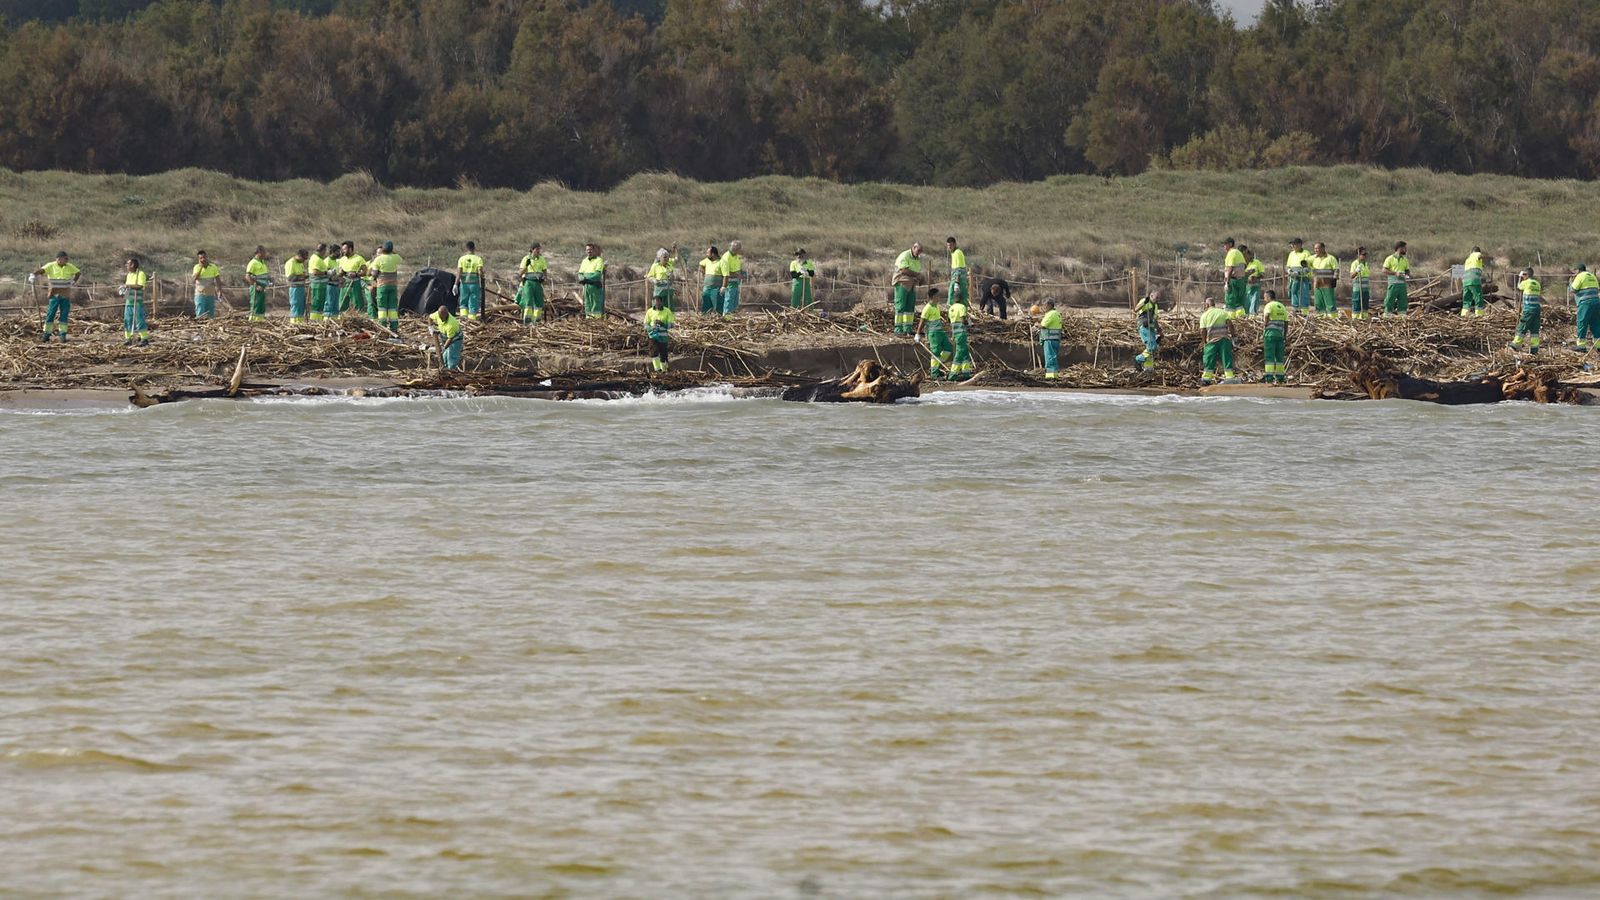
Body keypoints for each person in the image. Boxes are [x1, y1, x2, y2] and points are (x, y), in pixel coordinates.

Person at [33, 250, 80, 342]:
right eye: (65, 259)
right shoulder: (51, 265)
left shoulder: (69, 266)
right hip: (54, 293)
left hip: (65, 293)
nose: (66, 260)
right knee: (51, 313)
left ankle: (62, 335)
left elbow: (78, 273)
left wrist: (73, 281)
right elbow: (41, 270)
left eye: (67, 259)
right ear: (58, 259)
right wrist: (33, 275)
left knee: (64, 314)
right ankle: (46, 334)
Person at [914, 287, 952, 378]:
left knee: (948, 348)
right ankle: (934, 373)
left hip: (940, 332)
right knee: (935, 352)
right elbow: (922, 321)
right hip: (933, 333)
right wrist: (918, 334)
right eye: (938, 296)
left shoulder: (936, 306)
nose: (940, 298)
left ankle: (938, 365)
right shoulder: (927, 308)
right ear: (933, 296)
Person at [1198, 296, 1237, 384]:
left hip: (1211, 341)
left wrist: (1204, 342)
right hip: (1224, 339)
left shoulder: (1205, 315)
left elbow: (1202, 330)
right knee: (1227, 358)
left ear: (1207, 305)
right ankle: (1230, 378)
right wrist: (1234, 336)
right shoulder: (1222, 312)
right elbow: (1230, 325)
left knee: (1209, 360)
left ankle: (1206, 379)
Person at [370, 240, 403, 333]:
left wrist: (373, 274)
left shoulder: (378, 259)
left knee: (382, 307)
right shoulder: (395, 257)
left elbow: (374, 274)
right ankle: (394, 327)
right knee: (392, 307)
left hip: (382, 286)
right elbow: (400, 258)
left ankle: (383, 326)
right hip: (393, 286)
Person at [893, 242, 923, 334]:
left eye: (920, 251)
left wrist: (919, 278)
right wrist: (917, 275)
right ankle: (898, 329)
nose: (919, 253)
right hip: (902, 282)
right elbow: (903, 269)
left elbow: (917, 270)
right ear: (913, 248)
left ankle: (908, 328)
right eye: (918, 251)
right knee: (901, 305)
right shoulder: (904, 255)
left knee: (910, 306)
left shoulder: (917, 259)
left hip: (912, 284)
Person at [1511, 267, 1542, 354]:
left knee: (1522, 326)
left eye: (1524, 275)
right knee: (1534, 330)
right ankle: (1534, 349)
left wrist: (1520, 278)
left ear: (1527, 275)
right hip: (1537, 309)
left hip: (1528, 309)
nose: (1523, 276)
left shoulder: (1526, 282)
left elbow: (1519, 287)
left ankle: (1515, 344)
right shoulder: (1537, 283)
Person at [1260, 289, 1289, 383]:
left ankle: (1269, 379)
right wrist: (1284, 335)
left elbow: (1267, 315)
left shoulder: (1269, 305)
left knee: (1269, 357)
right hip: (1280, 335)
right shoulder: (1282, 306)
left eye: (1264, 297)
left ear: (1268, 297)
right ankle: (1280, 379)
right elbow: (1286, 323)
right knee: (1279, 357)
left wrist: (1265, 326)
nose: (1264, 299)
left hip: (1270, 334)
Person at [516, 243, 548, 324]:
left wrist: (545, 278)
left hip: (538, 283)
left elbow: (544, 270)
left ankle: (536, 321)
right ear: (532, 250)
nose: (538, 251)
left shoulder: (542, 259)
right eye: (537, 249)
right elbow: (520, 273)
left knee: (539, 301)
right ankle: (527, 320)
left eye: (539, 249)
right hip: (528, 283)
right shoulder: (526, 259)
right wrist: (526, 265)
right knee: (529, 301)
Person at [120, 256, 149, 346]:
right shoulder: (129, 275)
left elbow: (140, 285)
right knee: (127, 320)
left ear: (132, 265)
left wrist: (128, 286)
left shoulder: (140, 274)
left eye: (127, 264)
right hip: (129, 301)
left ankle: (144, 338)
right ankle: (128, 338)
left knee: (139, 320)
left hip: (137, 302)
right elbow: (127, 286)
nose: (126, 266)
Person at [1572, 263, 1600, 352]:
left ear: (1578, 270)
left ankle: (1581, 346)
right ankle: (1598, 346)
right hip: (1596, 302)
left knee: (1582, 322)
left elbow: (1573, 289)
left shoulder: (1580, 276)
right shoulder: (1592, 276)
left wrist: (1571, 282)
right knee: (1596, 323)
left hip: (1585, 303)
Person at [644, 294, 675, 372]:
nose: (656, 304)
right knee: (653, 352)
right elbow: (645, 324)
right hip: (653, 336)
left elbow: (672, 324)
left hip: (663, 337)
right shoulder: (650, 311)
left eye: (658, 302)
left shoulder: (667, 311)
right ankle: (657, 370)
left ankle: (664, 370)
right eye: (655, 302)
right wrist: (651, 328)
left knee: (663, 355)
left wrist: (662, 324)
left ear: (661, 302)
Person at [336, 242, 368, 316]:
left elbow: (365, 271)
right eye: (342, 249)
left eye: (344, 249)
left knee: (358, 304)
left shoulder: (359, 258)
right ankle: (341, 319)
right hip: (345, 283)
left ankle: (359, 319)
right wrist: (341, 272)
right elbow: (340, 271)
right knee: (342, 303)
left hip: (355, 283)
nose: (342, 251)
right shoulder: (342, 259)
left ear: (350, 249)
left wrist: (356, 274)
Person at [428, 303, 463, 371]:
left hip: (455, 339)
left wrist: (444, 348)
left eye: (442, 317)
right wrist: (430, 327)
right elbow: (430, 317)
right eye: (439, 316)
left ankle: (451, 371)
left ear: (446, 315)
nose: (440, 318)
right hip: (445, 337)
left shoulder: (451, 324)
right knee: (444, 357)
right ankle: (444, 369)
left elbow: (450, 339)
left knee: (451, 356)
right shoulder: (438, 314)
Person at [948, 288, 972, 378]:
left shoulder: (951, 308)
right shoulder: (962, 307)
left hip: (955, 332)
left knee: (965, 353)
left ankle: (966, 373)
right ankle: (953, 374)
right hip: (961, 333)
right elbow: (963, 320)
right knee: (959, 353)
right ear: (962, 298)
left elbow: (950, 321)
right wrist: (968, 323)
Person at [1310, 241, 1339, 318]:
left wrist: (1335, 278)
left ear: (1323, 248)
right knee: (1318, 301)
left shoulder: (1330, 258)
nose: (1316, 250)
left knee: (1329, 301)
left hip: (1328, 283)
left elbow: (1336, 269)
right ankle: (1320, 316)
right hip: (1317, 284)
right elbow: (1306, 263)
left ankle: (1333, 316)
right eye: (1315, 248)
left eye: (1317, 248)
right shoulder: (1313, 258)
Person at [457, 241, 485, 320]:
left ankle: (463, 320)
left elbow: (459, 273)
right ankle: (472, 320)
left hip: (464, 284)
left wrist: (455, 284)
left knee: (463, 302)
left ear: (466, 248)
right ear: (474, 248)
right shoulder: (478, 259)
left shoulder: (461, 259)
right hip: (474, 284)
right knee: (473, 302)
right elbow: (480, 272)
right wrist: (482, 275)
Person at [1382, 241, 1411, 315]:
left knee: (1403, 300)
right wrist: (1395, 273)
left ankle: (1402, 314)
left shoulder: (1405, 260)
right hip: (1393, 284)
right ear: (1399, 248)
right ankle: (1387, 313)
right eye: (1404, 248)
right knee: (1390, 299)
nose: (1406, 250)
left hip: (1402, 285)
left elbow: (1407, 270)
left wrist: (1406, 275)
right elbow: (1384, 270)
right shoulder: (1390, 258)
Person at [578, 243, 606, 319]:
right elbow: (580, 273)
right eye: (587, 250)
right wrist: (581, 278)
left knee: (595, 303)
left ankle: (596, 319)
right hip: (586, 286)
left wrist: (586, 279)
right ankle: (589, 318)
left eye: (590, 249)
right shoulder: (584, 261)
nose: (589, 251)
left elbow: (597, 275)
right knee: (587, 303)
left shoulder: (599, 260)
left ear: (594, 250)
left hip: (595, 286)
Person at [1285, 238, 1313, 315]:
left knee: (1303, 294)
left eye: (1294, 244)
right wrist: (1289, 271)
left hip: (1303, 278)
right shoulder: (1291, 254)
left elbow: (1308, 267)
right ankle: (1296, 310)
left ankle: (1304, 312)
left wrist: (1299, 273)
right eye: (1292, 244)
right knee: (1293, 293)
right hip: (1293, 278)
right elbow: (1288, 266)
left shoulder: (1306, 253)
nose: (1293, 246)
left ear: (1300, 244)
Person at [1134, 292, 1160, 371]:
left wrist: (1159, 330)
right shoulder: (1145, 301)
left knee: (1152, 348)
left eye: (1159, 298)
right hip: (1144, 327)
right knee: (1152, 347)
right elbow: (1135, 309)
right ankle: (1138, 359)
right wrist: (1144, 303)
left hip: (1151, 328)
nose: (1157, 300)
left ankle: (1148, 368)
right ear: (1151, 296)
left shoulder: (1155, 306)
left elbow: (1155, 319)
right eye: (1156, 297)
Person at [717, 240, 743, 317]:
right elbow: (725, 272)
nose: (740, 250)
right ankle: (726, 318)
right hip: (729, 283)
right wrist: (724, 286)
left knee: (735, 302)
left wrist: (740, 274)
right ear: (735, 249)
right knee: (729, 302)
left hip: (736, 283)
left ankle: (732, 317)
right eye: (739, 248)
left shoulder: (736, 256)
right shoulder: (726, 257)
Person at [1037, 299, 1062, 379]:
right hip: (1055, 339)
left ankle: (1051, 376)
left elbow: (1043, 325)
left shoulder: (1050, 314)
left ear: (1049, 305)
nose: (1043, 307)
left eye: (1045, 305)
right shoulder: (1057, 313)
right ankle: (1055, 375)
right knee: (1053, 357)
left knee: (1050, 358)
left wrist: (1036, 324)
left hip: (1049, 339)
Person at [192, 249, 220, 320]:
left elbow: (217, 279)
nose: (203, 259)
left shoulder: (213, 267)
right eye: (200, 258)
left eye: (204, 257)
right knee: (200, 311)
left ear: (207, 257)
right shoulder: (196, 267)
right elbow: (195, 278)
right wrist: (201, 267)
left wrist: (219, 290)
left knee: (211, 313)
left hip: (210, 294)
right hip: (200, 294)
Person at [244, 246, 271, 321]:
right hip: (256, 288)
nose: (265, 254)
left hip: (262, 288)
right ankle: (253, 321)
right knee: (255, 305)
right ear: (259, 252)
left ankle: (260, 320)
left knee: (261, 306)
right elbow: (247, 276)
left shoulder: (262, 263)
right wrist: (255, 286)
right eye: (264, 252)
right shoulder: (253, 263)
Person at [1222, 237, 1247, 317]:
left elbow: (1230, 268)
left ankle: (1230, 317)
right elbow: (1244, 266)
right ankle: (1241, 316)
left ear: (1230, 244)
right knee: (1239, 302)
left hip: (1233, 281)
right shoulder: (1238, 253)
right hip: (1241, 280)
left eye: (1225, 245)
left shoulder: (1231, 253)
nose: (1224, 247)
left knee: (1230, 300)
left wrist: (1227, 282)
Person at [285, 248, 311, 323]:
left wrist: (305, 276)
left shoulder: (300, 264)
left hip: (301, 288)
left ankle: (300, 322)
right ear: (299, 256)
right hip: (295, 289)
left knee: (301, 307)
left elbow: (302, 275)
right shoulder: (291, 263)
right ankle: (294, 323)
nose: (304, 260)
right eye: (304, 258)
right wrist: (301, 276)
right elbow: (291, 278)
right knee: (296, 305)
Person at [647, 248, 677, 312]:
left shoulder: (669, 266)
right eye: (664, 257)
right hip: (659, 289)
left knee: (669, 305)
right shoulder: (655, 266)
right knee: (658, 304)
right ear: (659, 258)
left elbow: (673, 277)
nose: (666, 259)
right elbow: (649, 276)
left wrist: (672, 277)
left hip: (668, 289)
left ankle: (669, 319)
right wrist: (654, 280)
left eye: (668, 257)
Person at [308, 243, 332, 322]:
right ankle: (315, 320)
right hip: (318, 285)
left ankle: (319, 319)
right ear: (323, 250)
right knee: (317, 302)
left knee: (320, 303)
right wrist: (326, 273)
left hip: (321, 285)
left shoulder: (318, 259)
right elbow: (315, 272)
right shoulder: (316, 259)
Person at [1461, 246, 1486, 318]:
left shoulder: (1468, 259)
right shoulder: (1476, 254)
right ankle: (1479, 314)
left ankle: (1464, 314)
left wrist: (1482, 264)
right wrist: (1482, 256)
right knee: (1478, 297)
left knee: (1467, 299)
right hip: (1474, 280)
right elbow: (1479, 256)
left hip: (1465, 281)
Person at [1349, 247, 1372, 320]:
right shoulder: (1355, 263)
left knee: (1365, 304)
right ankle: (1355, 318)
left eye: (1366, 254)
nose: (1365, 256)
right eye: (1363, 254)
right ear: (1358, 255)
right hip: (1358, 289)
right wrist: (1356, 271)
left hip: (1365, 289)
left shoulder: (1366, 264)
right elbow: (1351, 276)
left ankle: (1364, 317)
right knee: (1357, 303)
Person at [698, 246, 721, 314]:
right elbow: (700, 264)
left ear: (713, 254)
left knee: (717, 304)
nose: (706, 254)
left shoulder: (721, 262)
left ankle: (718, 316)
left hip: (716, 288)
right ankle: (705, 316)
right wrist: (704, 272)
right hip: (707, 287)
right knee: (706, 303)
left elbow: (726, 275)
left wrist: (723, 287)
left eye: (708, 253)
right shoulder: (707, 260)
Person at [1243, 246, 1266, 314]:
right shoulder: (1244, 263)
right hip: (1246, 286)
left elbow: (1262, 274)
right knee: (1246, 302)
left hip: (1255, 285)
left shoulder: (1257, 262)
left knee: (1254, 301)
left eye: (1249, 254)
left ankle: (1253, 316)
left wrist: (1255, 277)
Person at [946, 236, 969, 305]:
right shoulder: (954, 253)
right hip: (958, 276)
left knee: (952, 292)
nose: (949, 247)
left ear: (955, 244)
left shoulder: (957, 253)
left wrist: (956, 281)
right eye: (948, 245)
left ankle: (950, 308)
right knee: (962, 294)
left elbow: (959, 268)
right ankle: (964, 307)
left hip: (958, 276)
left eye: (951, 245)